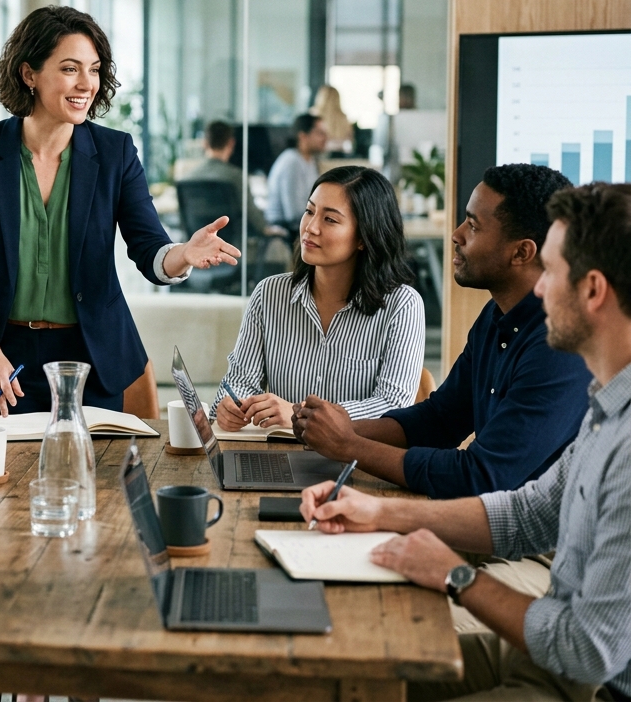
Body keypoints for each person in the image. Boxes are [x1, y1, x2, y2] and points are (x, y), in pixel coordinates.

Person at [300, 182, 631, 702]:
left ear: (591, 290)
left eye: (554, 273)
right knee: (334, 663)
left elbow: (588, 650)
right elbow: (527, 512)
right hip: (548, 655)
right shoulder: (607, 408)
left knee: (375, 636)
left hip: (592, 685)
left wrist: (456, 577)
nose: (541, 290)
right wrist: (376, 511)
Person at [0, 5, 240, 416]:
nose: (87, 84)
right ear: (29, 74)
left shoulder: (115, 153)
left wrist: (181, 254)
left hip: (90, 356)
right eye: (69, 69)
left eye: (94, 69)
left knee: (95, 477)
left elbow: (148, 247)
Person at [295, 164, 592, 500]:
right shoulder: (497, 316)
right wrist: (332, 429)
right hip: (491, 524)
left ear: (521, 252)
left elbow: (480, 476)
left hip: (543, 547)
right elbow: (441, 420)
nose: (457, 233)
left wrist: (348, 444)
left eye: (474, 226)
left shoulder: (561, 346)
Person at [213, 165, 424, 432]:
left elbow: (393, 405)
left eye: (330, 219)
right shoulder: (269, 294)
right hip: (279, 456)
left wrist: (301, 414)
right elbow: (239, 381)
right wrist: (231, 405)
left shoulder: (402, 305)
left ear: (364, 237)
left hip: (358, 462)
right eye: (309, 211)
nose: (310, 228)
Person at [182, 119, 279, 238]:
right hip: (232, 248)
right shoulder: (235, 176)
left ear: (205, 143)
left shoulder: (187, 177)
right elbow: (255, 220)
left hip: (198, 245)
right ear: (231, 143)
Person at [265, 112, 328, 232]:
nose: (325, 138)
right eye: (320, 133)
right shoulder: (292, 162)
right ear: (303, 136)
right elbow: (293, 213)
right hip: (285, 230)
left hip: (300, 225)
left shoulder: (309, 160)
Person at [310, 85, 354, 154]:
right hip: (340, 157)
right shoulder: (344, 118)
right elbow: (349, 142)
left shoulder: (313, 115)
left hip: (319, 155)